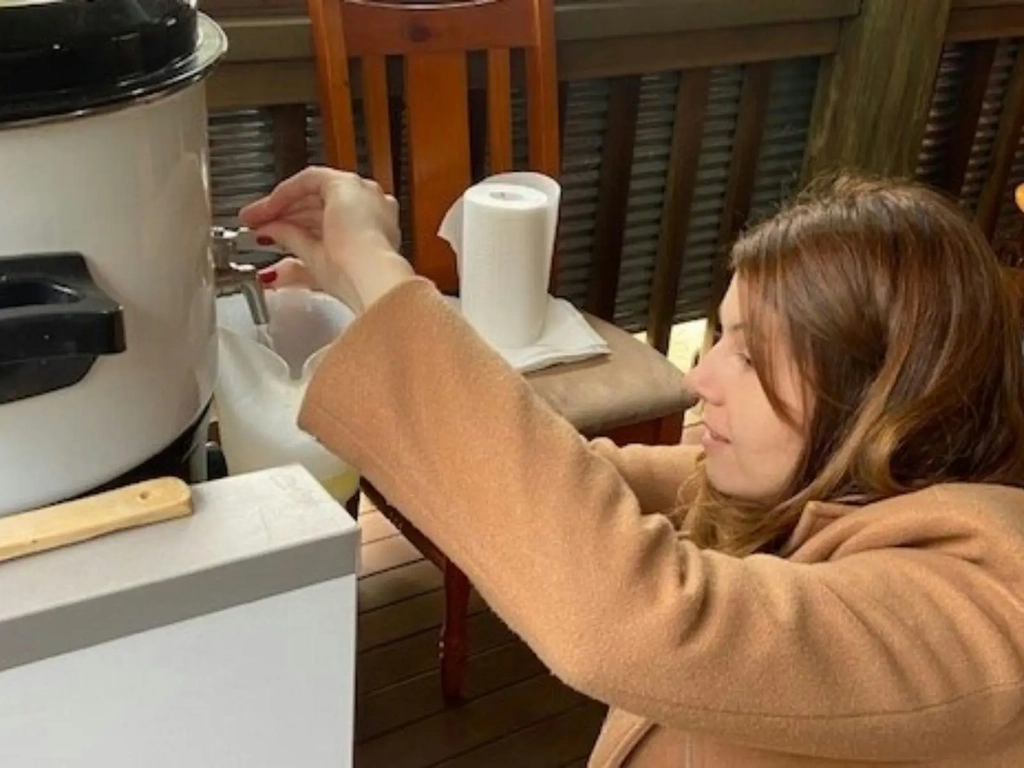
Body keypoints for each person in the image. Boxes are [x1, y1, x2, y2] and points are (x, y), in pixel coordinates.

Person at [239, 167, 1024, 767]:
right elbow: (574, 487)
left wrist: (380, 273)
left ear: (879, 394)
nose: (699, 378)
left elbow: (628, 614)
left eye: (748, 355)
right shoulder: (807, 494)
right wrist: (358, 287)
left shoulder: (986, 613)